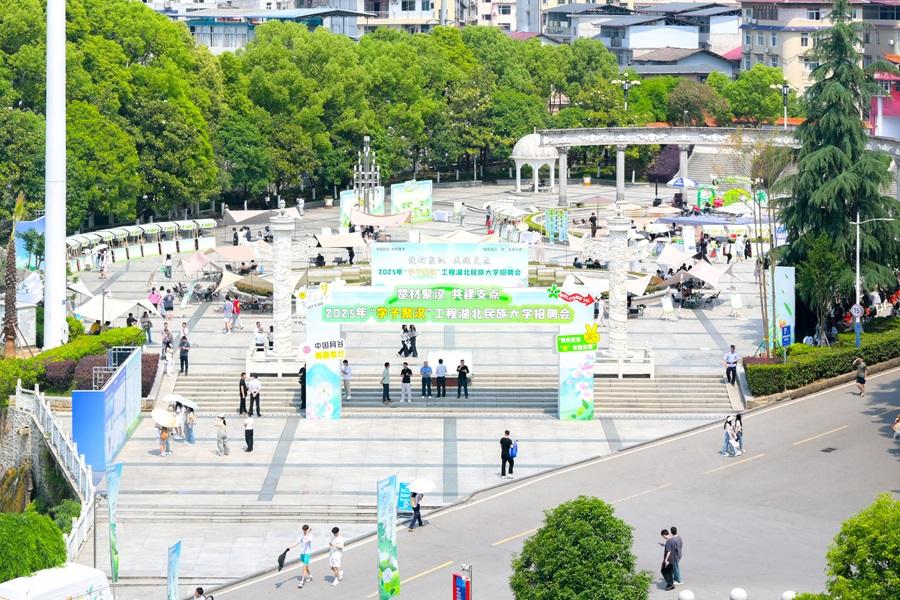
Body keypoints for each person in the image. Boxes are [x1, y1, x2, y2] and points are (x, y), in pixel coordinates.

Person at [289, 524, 314, 589]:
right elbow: (297, 543)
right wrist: (290, 547)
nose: (304, 531)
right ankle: (310, 576)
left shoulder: (310, 535)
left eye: (305, 530)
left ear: (307, 530)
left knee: (304, 568)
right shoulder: (302, 535)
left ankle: (302, 582)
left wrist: (308, 533)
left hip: (307, 554)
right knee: (306, 567)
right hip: (302, 553)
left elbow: (308, 540)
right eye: (303, 530)